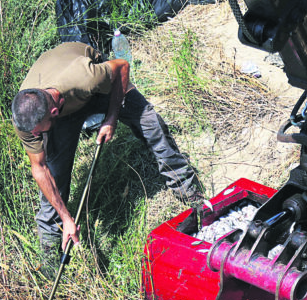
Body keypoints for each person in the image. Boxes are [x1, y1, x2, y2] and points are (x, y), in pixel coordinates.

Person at [11, 41, 203, 264]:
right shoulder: (25, 115)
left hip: (100, 89)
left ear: (53, 112)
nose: (34, 136)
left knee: (152, 124)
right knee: (55, 172)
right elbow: (40, 169)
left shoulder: (84, 78)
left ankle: (190, 193)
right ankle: (50, 254)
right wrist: (67, 218)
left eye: (37, 132)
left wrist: (111, 117)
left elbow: (122, 66)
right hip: (60, 112)